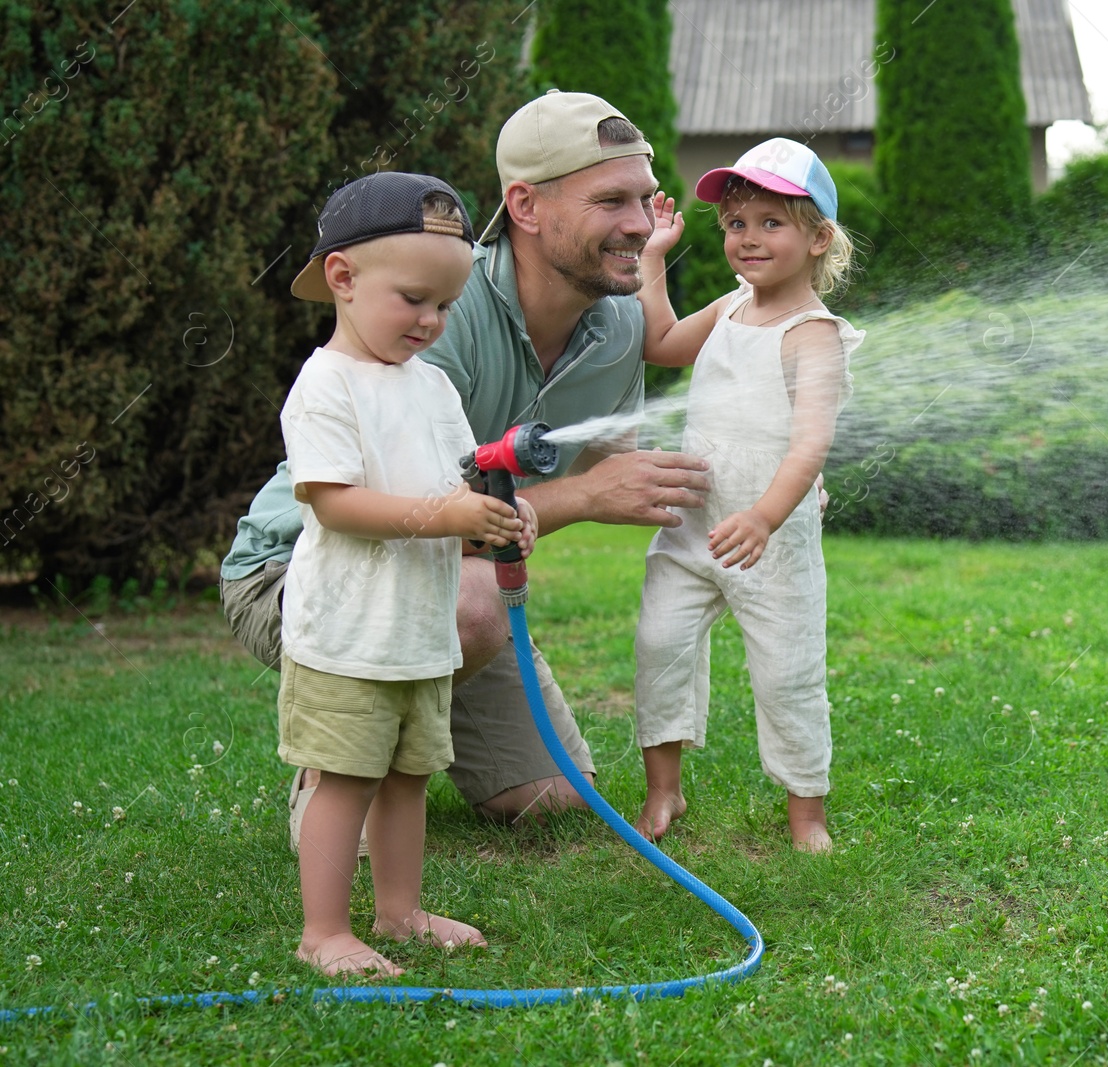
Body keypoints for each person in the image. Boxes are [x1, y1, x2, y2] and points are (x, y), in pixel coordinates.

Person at [220, 91, 711, 846]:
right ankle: (335, 775)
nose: (642, 225)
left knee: (553, 799)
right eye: (612, 199)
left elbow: (630, 465)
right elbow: (405, 511)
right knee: (477, 605)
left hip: (443, 575)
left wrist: (770, 469)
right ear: (525, 205)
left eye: (646, 199)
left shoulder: (617, 326)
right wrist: (578, 494)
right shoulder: (439, 312)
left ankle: (400, 752)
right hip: (307, 567)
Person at [276, 171, 532, 974]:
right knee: (346, 779)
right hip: (349, 633)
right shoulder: (326, 385)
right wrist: (450, 516)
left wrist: (494, 516)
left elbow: (459, 483)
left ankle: (399, 912)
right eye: (415, 299)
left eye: (447, 306)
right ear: (344, 279)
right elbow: (336, 503)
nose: (432, 321)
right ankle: (324, 931)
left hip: (419, 632)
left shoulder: (432, 386)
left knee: (408, 777)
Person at [630, 138, 863, 851]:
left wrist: (765, 516)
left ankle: (807, 814)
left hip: (771, 540)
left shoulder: (811, 335)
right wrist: (650, 261)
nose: (748, 238)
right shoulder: (731, 308)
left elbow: (809, 444)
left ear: (818, 237)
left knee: (788, 674)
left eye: (771, 222)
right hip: (691, 528)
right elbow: (662, 342)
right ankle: (664, 790)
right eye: (736, 223)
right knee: (658, 643)